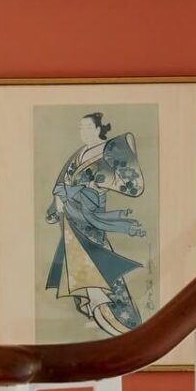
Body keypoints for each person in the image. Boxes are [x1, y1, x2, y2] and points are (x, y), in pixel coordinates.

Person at [45, 111, 146, 338]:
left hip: (90, 216)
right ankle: (96, 310)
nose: (84, 132)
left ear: (100, 129)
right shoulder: (78, 154)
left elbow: (132, 183)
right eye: (81, 128)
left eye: (88, 128)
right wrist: (59, 199)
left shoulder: (111, 149)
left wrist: (96, 184)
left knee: (99, 263)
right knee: (79, 264)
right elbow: (62, 182)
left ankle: (120, 321)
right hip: (72, 217)